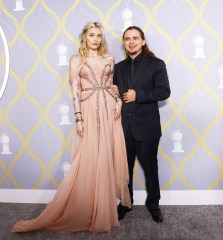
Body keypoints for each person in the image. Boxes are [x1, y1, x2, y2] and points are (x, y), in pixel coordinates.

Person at [12, 22, 131, 233]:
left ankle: (105, 205)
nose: (96, 39)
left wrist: (120, 103)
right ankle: (90, 206)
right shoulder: (76, 60)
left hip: (110, 109)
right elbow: (75, 91)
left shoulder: (109, 58)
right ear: (84, 37)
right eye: (92, 35)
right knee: (90, 156)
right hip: (87, 108)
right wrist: (78, 118)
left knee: (108, 155)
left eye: (99, 35)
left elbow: (115, 83)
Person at [113, 26, 170, 223]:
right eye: (127, 39)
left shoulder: (157, 64)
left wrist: (139, 96)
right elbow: (114, 94)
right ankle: (125, 204)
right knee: (124, 169)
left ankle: (154, 205)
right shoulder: (118, 67)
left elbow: (164, 92)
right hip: (123, 127)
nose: (131, 42)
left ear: (143, 41)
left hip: (147, 127)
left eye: (135, 38)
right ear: (124, 42)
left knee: (151, 168)